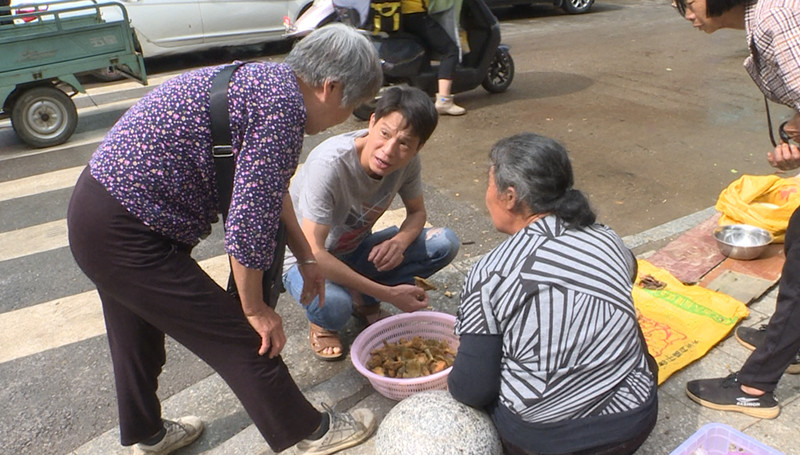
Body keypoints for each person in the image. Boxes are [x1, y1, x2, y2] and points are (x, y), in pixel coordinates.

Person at [66, 23, 383, 455]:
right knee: (242, 335)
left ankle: (148, 433)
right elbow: (248, 226)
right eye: (356, 106)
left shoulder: (267, 81)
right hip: (125, 230)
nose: (347, 120)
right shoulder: (282, 110)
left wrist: (306, 256)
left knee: (134, 332)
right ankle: (312, 432)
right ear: (331, 87)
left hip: (98, 209)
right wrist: (254, 310)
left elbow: (269, 189)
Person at [448, 133, 658, 455]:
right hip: (634, 423)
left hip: (547, 443)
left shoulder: (490, 272)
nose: (486, 193)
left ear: (509, 196)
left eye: (489, 183)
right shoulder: (607, 237)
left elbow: (471, 390)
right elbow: (628, 271)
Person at [674, 0, 800, 419]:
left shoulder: (773, 18)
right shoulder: (768, 18)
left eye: (686, 3)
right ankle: (790, 341)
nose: (686, 14)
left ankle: (753, 387)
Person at [283, 85, 461, 360]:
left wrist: (400, 242)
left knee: (444, 242)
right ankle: (327, 318)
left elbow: (417, 213)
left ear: (418, 147)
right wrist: (388, 294)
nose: (389, 151)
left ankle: (361, 298)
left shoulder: (409, 163)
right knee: (334, 306)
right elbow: (315, 253)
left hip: (353, 248)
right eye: (385, 134)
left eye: (404, 143)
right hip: (303, 259)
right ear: (372, 122)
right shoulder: (329, 164)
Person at [401, 0, 467, 115]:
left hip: (403, 16)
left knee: (427, 48)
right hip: (417, 15)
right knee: (450, 51)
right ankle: (444, 100)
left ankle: (424, 90)